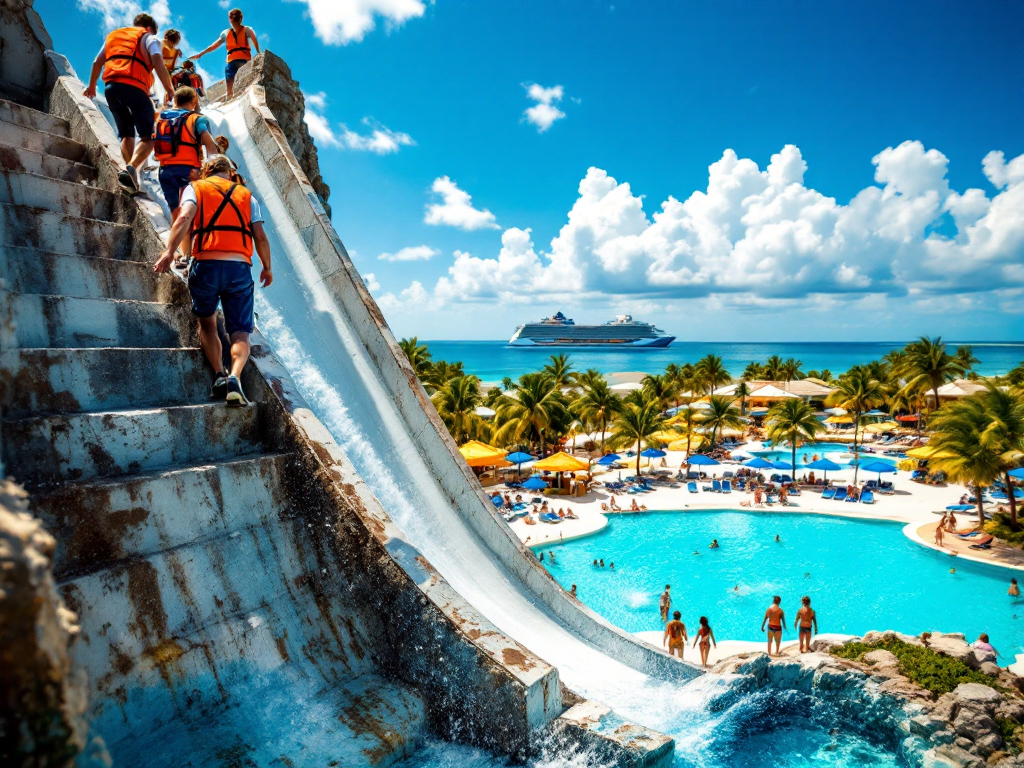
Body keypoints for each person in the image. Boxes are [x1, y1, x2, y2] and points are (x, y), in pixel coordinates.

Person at [153, 155, 271, 405]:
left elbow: (184, 219)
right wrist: (267, 268)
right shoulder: (246, 196)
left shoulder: (195, 188)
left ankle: (219, 374)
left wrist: (169, 251)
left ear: (206, 170)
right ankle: (234, 378)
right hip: (238, 269)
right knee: (240, 333)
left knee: (207, 323)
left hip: (205, 265)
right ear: (230, 172)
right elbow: (260, 237)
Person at [83, 13, 175, 192]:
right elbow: (157, 62)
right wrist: (169, 88)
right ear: (149, 28)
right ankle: (131, 169)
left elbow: (97, 62)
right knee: (148, 138)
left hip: (112, 88)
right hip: (135, 88)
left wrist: (92, 86)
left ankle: (126, 177)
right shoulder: (149, 37)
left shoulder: (113, 36)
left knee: (127, 134)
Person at [154, 87, 218, 241]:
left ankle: (178, 251)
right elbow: (209, 143)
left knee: (176, 212)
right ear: (194, 101)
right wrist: (214, 167)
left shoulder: (162, 118)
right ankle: (190, 250)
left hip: (166, 170)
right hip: (189, 171)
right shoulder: (197, 119)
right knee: (192, 212)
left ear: (175, 101)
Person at [192, 8, 260, 100]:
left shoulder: (226, 33)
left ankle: (230, 97)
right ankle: (233, 98)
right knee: (244, 85)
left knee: (231, 89)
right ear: (241, 18)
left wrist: (202, 53)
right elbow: (254, 40)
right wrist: (259, 52)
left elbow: (214, 46)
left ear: (230, 19)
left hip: (233, 62)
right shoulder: (247, 29)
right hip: (243, 61)